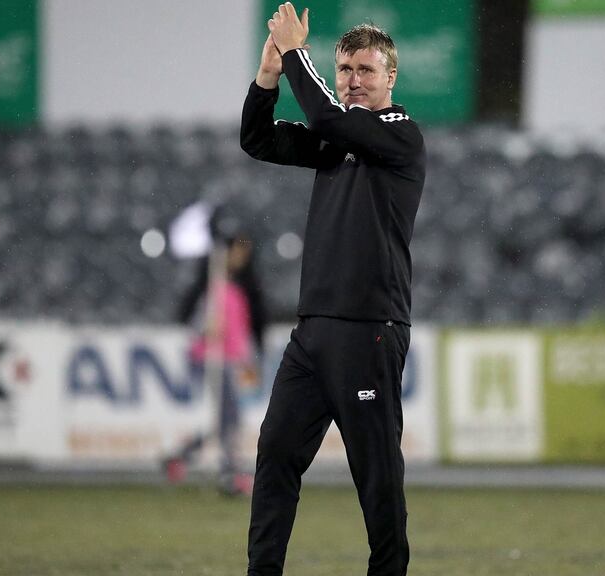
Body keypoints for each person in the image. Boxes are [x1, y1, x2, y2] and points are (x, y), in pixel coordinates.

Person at [240, 4, 425, 575]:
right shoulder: (337, 138)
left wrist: (297, 53)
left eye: (366, 70)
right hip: (313, 330)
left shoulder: (400, 135)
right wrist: (269, 75)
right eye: (344, 69)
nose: (353, 80)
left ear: (390, 78)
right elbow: (257, 140)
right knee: (275, 453)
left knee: (375, 474)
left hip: (370, 328)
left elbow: (330, 120)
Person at [166, 222, 266, 497]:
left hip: (229, 358)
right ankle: (231, 473)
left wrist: (248, 358)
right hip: (211, 358)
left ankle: (182, 457)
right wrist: (206, 328)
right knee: (230, 417)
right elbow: (198, 319)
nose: (242, 256)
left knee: (223, 420)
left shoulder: (241, 287)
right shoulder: (214, 282)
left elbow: (242, 327)